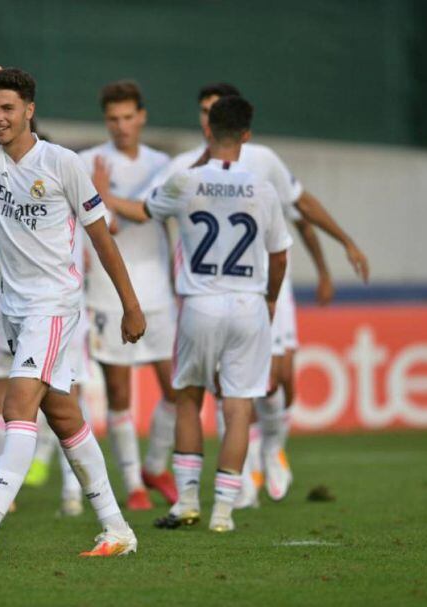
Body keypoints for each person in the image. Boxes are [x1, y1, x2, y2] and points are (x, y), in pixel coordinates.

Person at [0, 33, 145, 560]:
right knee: (65, 417)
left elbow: (101, 236)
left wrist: (130, 304)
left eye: (7, 107)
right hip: (16, 308)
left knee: (15, 402)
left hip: (54, 305)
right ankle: (117, 528)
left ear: (30, 110)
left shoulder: (62, 164)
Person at [106, 82, 370, 503]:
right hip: (231, 292)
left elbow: (301, 209)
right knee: (236, 389)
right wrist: (107, 197)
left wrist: (339, 247)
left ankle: (270, 449)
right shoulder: (183, 166)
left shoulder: (262, 162)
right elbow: (142, 206)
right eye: (204, 110)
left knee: (274, 378)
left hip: (261, 285)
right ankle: (240, 478)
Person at [110, 95, 292, 532]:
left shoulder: (186, 182)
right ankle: (224, 512)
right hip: (248, 304)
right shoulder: (262, 189)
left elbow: (143, 212)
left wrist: (105, 196)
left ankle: (187, 501)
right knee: (239, 406)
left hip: (199, 305)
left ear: (207, 131)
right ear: (246, 136)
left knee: (189, 398)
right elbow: (280, 255)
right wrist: (270, 298)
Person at [78, 80, 179, 510]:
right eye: (112, 119)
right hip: (107, 293)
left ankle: (156, 464)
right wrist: (103, 198)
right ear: (106, 121)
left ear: (142, 116)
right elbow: (109, 229)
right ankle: (135, 484)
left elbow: (147, 214)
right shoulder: (86, 162)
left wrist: (107, 194)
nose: (120, 126)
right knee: (119, 395)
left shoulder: (164, 165)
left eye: (127, 117)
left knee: (178, 388)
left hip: (157, 290)